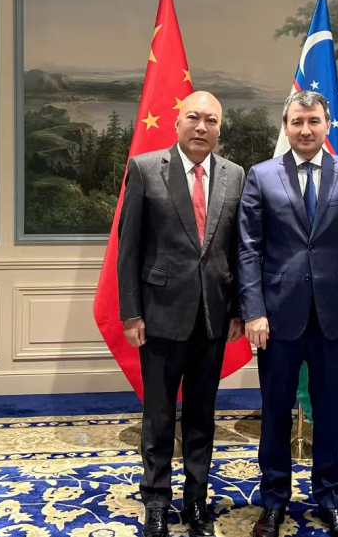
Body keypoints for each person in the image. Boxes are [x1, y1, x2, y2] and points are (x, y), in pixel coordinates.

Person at [237, 90, 338, 537]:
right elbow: (248, 250)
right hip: (277, 317)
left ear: (326, 125)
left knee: (329, 412)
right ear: (285, 126)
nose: (305, 129)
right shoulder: (261, 176)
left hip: (334, 316)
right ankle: (273, 502)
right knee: (276, 412)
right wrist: (253, 311)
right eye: (296, 121)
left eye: (313, 121)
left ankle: (330, 499)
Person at [117, 90, 245, 537]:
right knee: (158, 418)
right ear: (177, 123)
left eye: (211, 120)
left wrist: (239, 310)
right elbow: (128, 248)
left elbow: (238, 250)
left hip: (213, 317)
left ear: (219, 128)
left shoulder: (234, 175)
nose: (201, 127)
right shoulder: (145, 168)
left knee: (201, 418)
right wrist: (131, 312)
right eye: (193, 117)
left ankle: (195, 503)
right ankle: (156, 501)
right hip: (160, 316)